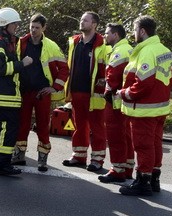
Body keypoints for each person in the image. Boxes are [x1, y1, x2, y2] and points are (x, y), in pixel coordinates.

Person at [115, 15, 172, 196]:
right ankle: (154, 178)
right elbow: (171, 77)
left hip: (144, 108)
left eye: (134, 30)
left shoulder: (147, 51)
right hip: (159, 107)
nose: (133, 34)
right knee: (155, 144)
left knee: (143, 146)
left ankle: (143, 182)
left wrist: (125, 93)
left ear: (142, 31)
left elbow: (143, 83)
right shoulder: (163, 49)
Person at [12, 13, 68, 172]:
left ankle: (42, 159)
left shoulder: (51, 46)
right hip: (24, 91)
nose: (34, 30)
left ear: (44, 28)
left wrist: (55, 87)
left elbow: (64, 69)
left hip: (42, 93)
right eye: (32, 27)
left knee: (43, 126)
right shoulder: (21, 43)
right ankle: (19, 155)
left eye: (37, 27)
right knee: (22, 125)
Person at [0, 7, 33, 176]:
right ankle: (2, 165)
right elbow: (0, 69)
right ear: (4, 25)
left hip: (2, 96)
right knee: (7, 130)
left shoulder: (3, 41)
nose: (16, 28)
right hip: (3, 96)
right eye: (14, 24)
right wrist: (22, 64)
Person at [63, 11, 109, 172]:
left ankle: (97, 159)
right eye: (81, 19)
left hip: (94, 94)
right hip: (76, 91)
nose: (82, 22)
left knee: (97, 127)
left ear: (94, 24)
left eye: (85, 20)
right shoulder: (75, 42)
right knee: (79, 126)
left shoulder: (103, 45)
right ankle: (79, 155)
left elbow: (107, 70)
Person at [98, 23, 136, 184]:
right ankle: (127, 168)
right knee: (126, 134)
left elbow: (113, 77)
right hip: (126, 99)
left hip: (115, 100)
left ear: (116, 35)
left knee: (115, 135)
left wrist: (108, 92)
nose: (105, 36)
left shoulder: (119, 52)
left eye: (107, 33)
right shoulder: (129, 49)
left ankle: (117, 170)